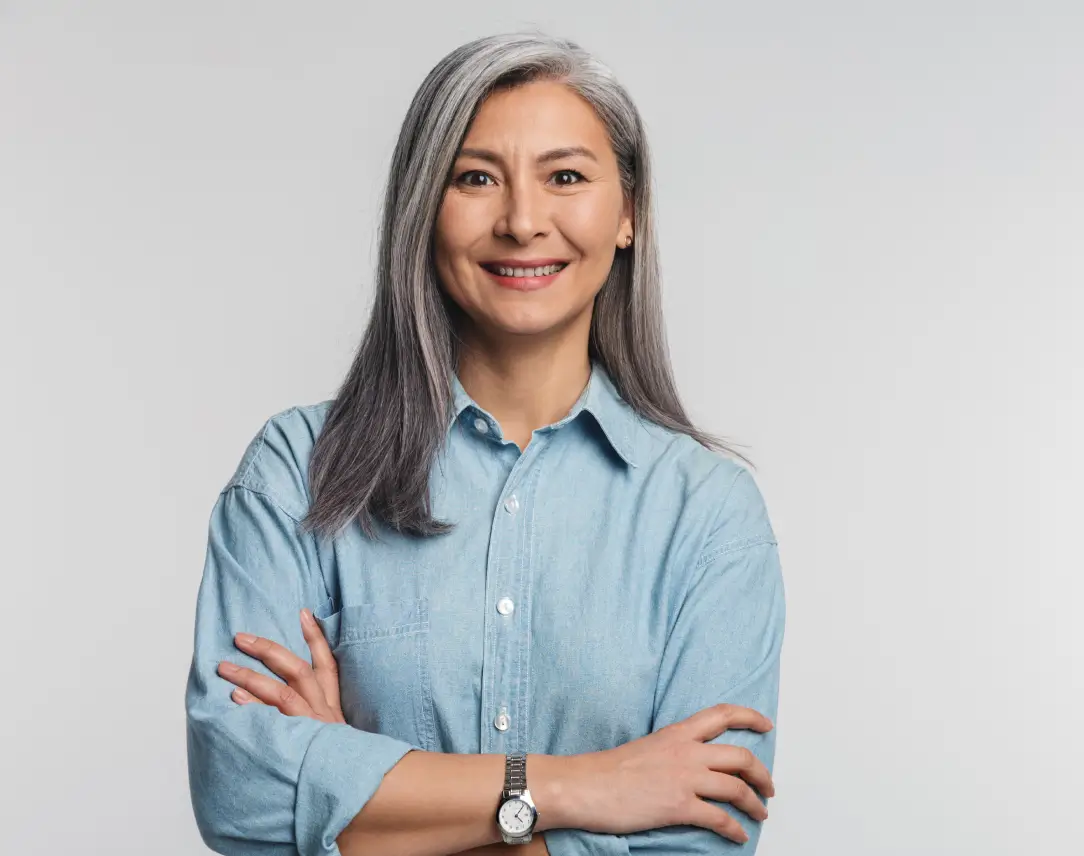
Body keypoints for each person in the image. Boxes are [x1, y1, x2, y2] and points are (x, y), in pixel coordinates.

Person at [183, 31, 786, 856]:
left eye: (566, 177)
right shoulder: (298, 472)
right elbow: (241, 796)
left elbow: (699, 845)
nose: (522, 221)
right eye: (475, 178)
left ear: (627, 215)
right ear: (423, 208)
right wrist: (582, 787)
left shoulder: (709, 518)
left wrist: (352, 804)